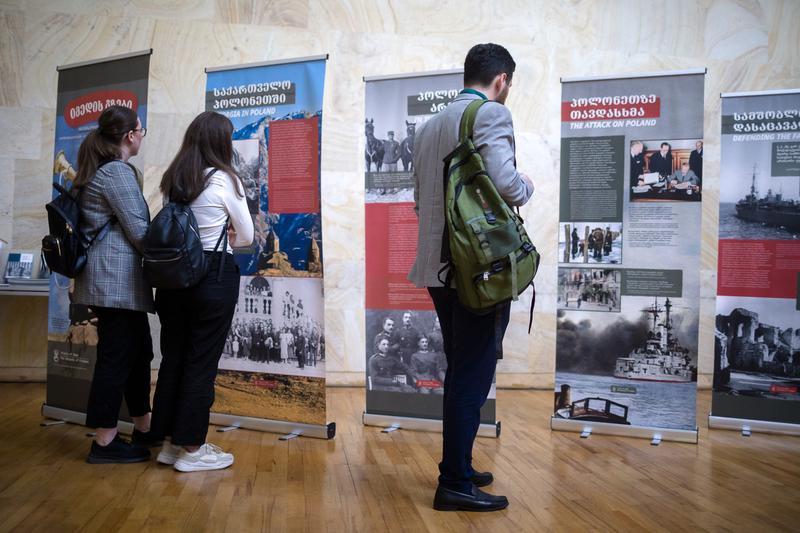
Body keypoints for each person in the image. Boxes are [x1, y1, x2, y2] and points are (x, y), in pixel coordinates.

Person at [409, 43, 533, 512]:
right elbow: (507, 185)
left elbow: (421, 203)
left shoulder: (426, 128)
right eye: (508, 86)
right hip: (476, 270)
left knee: (461, 366)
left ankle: (459, 464)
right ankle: (455, 483)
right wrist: (528, 188)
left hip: (438, 269)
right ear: (500, 80)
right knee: (472, 373)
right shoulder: (490, 115)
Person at [150, 111, 254, 472]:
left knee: (173, 359)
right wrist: (227, 236)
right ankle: (192, 450)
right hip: (212, 275)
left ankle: (167, 445)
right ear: (221, 143)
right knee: (200, 363)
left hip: (172, 280)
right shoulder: (224, 179)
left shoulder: (174, 179)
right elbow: (247, 236)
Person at [72, 105, 157, 464]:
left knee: (139, 355)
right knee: (115, 360)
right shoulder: (116, 173)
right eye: (141, 129)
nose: (141, 134)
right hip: (115, 285)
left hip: (113, 284)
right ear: (130, 136)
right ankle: (104, 442)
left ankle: (144, 427)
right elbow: (140, 231)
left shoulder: (99, 169)